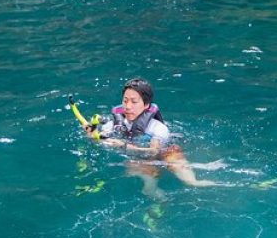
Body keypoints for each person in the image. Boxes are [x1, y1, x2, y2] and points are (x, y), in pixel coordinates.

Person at [83, 78, 218, 197]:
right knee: (147, 185)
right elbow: (98, 141)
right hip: (140, 160)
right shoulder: (112, 125)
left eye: (134, 102)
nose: (128, 106)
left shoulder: (158, 128)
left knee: (189, 180)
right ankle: (156, 194)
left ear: (146, 105)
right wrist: (91, 134)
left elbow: (154, 152)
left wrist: (123, 146)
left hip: (165, 153)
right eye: (125, 101)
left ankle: (212, 184)